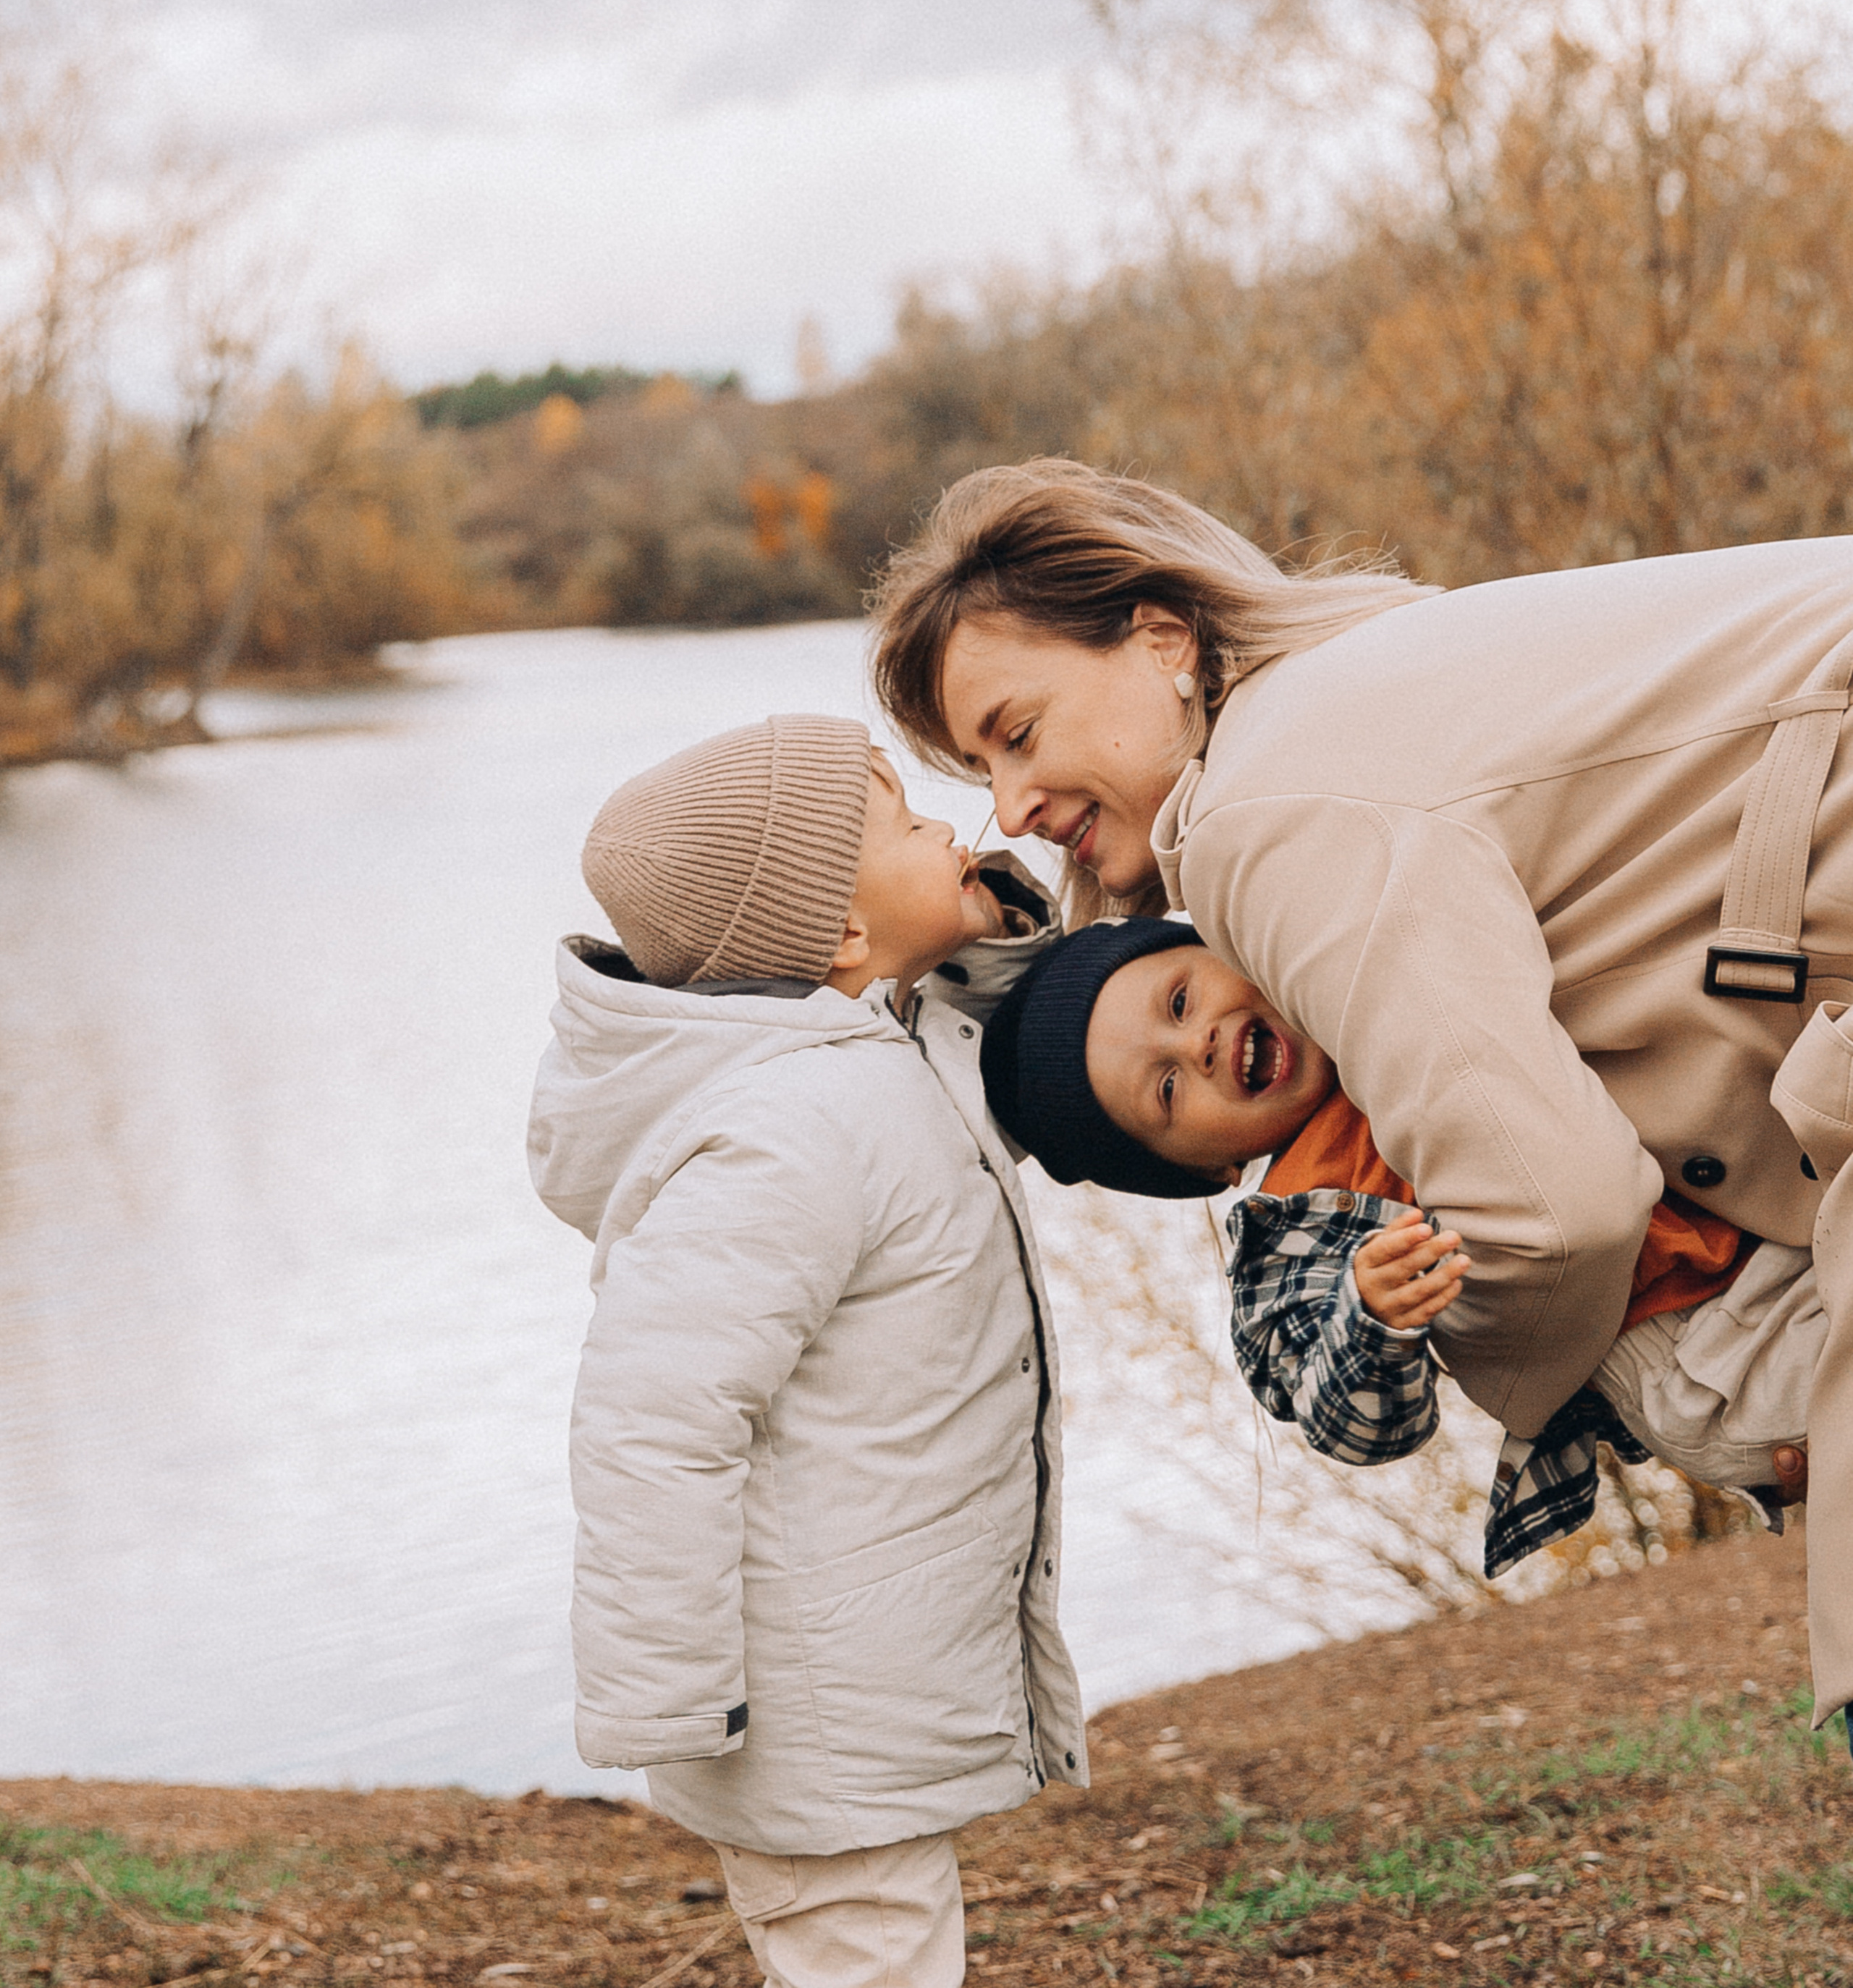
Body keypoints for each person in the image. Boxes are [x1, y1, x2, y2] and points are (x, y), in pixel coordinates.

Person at [870, 460, 1853, 1730]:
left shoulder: (1267, 812)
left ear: (1163, 641)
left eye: (1017, 734)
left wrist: (1539, 1382)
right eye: (979, 773)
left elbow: (1560, 1219)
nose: (1010, 807)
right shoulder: (1353, 682)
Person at [527, 713, 1084, 1988]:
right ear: (839, 939)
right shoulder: (785, 1131)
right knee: (876, 1957)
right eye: (905, 824)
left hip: (867, 1677)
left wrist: (986, 917)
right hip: (800, 1707)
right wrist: (669, 1696)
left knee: (889, 1948)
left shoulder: (865, 1051)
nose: (948, 825)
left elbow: (996, 1026)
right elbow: (654, 1420)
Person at [978, 913, 1821, 1575]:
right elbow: (1348, 1423)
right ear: (1207, 1171)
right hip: (1694, 1355)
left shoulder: (1386, 1006)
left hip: (1755, 1246)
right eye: (1165, 1089)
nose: (1194, 1044)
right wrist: (1369, 1316)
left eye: (1178, 1000)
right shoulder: (1294, 1228)